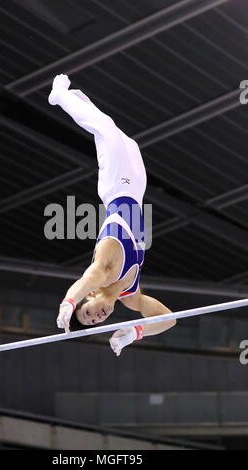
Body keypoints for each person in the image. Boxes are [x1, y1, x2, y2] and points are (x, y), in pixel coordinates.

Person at [48, 74, 176, 356]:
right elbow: (169, 319)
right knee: (126, 141)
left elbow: (91, 276)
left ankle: (60, 97)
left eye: (89, 314)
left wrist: (69, 302)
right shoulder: (131, 296)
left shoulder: (102, 272)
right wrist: (134, 332)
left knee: (105, 130)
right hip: (137, 191)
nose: (97, 317)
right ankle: (76, 98)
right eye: (96, 322)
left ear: (90, 297)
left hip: (117, 186)